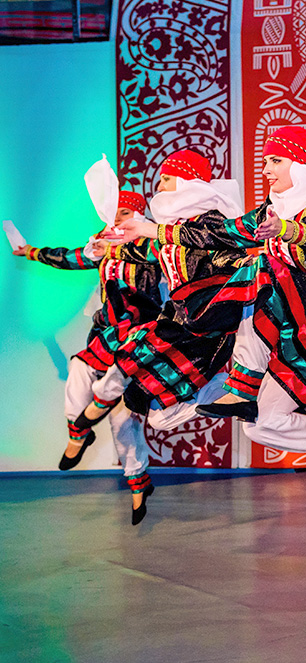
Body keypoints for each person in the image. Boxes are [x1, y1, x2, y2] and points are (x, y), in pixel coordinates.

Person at [166, 126, 306, 495]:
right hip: (294, 336)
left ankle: (241, 386)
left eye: (276, 160)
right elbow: (221, 234)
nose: (266, 169)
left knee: (260, 270)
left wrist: (286, 229)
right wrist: (150, 231)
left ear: (300, 164)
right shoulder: (272, 210)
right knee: (260, 425)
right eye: (265, 162)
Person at [77, 149, 245, 459]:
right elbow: (150, 252)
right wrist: (108, 248)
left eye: (166, 178)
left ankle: (82, 423)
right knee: (155, 413)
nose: (160, 186)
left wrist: (147, 230)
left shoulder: (211, 219)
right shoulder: (173, 228)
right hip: (178, 321)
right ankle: (229, 390)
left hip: (205, 325)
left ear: (186, 180)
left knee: (127, 364)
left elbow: (209, 242)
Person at [15, 191, 161, 523]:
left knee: (122, 418)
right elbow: (69, 258)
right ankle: (79, 433)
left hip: (138, 336)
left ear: (139, 216)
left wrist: (118, 247)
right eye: (115, 213)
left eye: (124, 213)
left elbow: (159, 261)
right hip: (107, 334)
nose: (117, 218)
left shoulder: (150, 247)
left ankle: (138, 484)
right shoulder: (104, 246)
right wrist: (31, 252)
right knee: (80, 369)